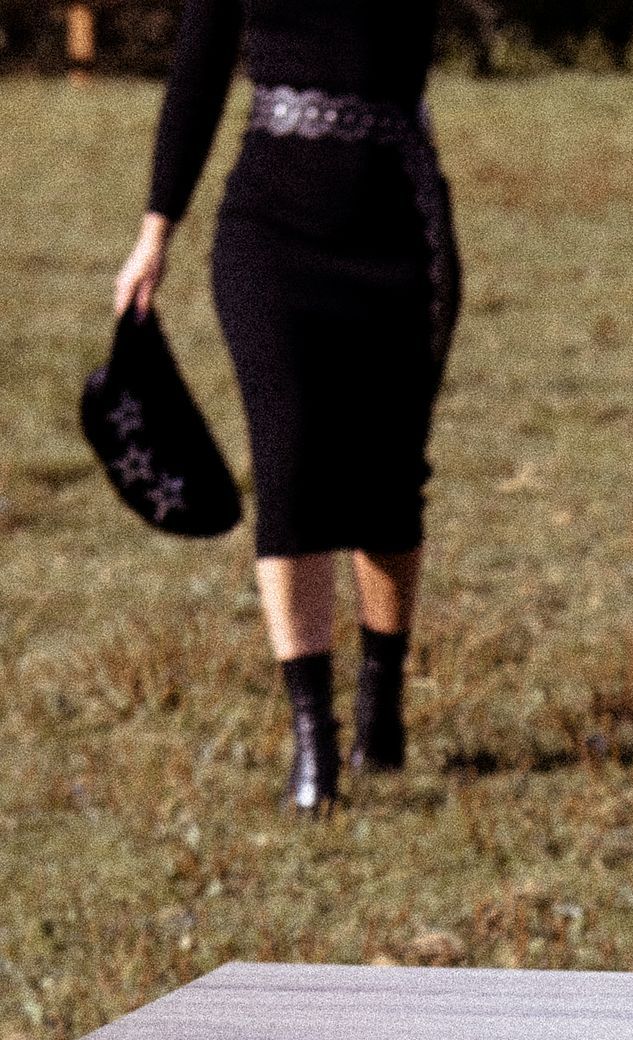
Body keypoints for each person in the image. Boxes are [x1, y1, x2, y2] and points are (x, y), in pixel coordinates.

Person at [114, 0, 460, 813]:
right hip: (270, 232)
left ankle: (381, 695)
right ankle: (314, 741)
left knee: (388, 480)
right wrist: (156, 231)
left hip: (399, 224)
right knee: (289, 466)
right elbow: (199, 69)